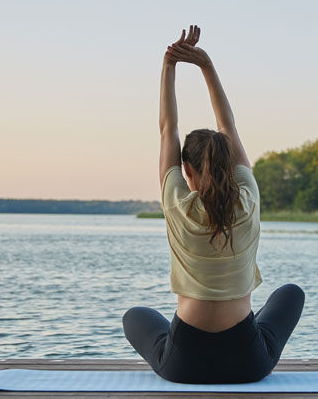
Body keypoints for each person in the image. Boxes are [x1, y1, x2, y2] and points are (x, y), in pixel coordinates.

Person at [121, 25, 305, 384]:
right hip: (248, 363)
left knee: (136, 315)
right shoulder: (248, 199)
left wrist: (169, 65)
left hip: (183, 365)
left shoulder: (177, 204)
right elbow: (228, 125)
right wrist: (206, 66)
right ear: (229, 166)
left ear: (185, 170)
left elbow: (166, 130)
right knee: (290, 294)